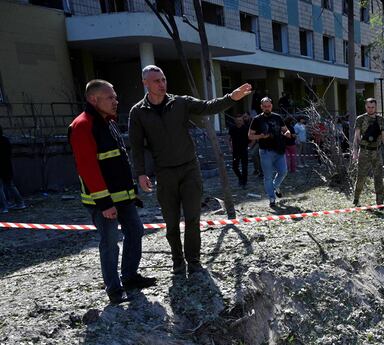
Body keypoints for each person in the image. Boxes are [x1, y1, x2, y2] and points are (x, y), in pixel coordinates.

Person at [128, 65, 252, 275]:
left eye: (163, 79)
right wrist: (140, 173)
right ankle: (177, 261)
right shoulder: (138, 112)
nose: (162, 84)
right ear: (145, 83)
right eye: (156, 81)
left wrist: (231, 97)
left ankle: (193, 260)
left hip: (189, 169)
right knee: (171, 222)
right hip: (164, 172)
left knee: (193, 218)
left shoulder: (180, 102)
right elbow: (136, 145)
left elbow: (207, 106)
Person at [69, 80, 156, 304]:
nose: (115, 101)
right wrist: (105, 203)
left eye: (115, 97)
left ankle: (130, 277)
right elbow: (88, 168)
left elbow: (118, 163)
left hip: (123, 197)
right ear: (93, 99)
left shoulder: (108, 121)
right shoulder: (83, 125)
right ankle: (114, 290)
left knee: (135, 231)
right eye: (110, 97)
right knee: (109, 243)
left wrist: (131, 193)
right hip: (103, 202)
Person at [249, 96, 290, 209]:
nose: (267, 108)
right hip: (265, 151)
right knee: (268, 176)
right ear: (261, 107)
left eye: (269, 106)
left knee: (283, 171)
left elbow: (285, 129)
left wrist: (287, 133)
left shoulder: (277, 117)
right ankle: (272, 198)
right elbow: (250, 136)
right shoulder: (257, 119)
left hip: (279, 149)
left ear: (271, 106)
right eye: (265, 106)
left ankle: (275, 186)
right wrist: (260, 136)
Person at [353, 98, 384, 206]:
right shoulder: (360, 119)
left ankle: (380, 202)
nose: (370, 109)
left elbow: (383, 135)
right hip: (364, 151)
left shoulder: (380, 119)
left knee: (378, 178)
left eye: (373, 107)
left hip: (377, 152)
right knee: (361, 177)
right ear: (365, 107)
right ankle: (356, 198)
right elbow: (356, 137)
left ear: (376, 107)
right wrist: (355, 151)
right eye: (368, 107)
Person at [0, 126, 27, 213]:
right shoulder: (5, 140)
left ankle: (4, 207)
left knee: (1, 187)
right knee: (10, 185)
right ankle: (20, 203)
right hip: (7, 165)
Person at [228, 114, 250, 187]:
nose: (239, 122)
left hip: (244, 150)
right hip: (235, 151)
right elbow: (228, 139)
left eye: (240, 120)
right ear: (235, 121)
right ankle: (240, 178)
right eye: (237, 120)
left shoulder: (246, 129)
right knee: (235, 167)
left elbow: (251, 138)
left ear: (242, 120)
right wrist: (230, 147)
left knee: (244, 167)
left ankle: (244, 182)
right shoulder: (232, 128)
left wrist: (249, 146)